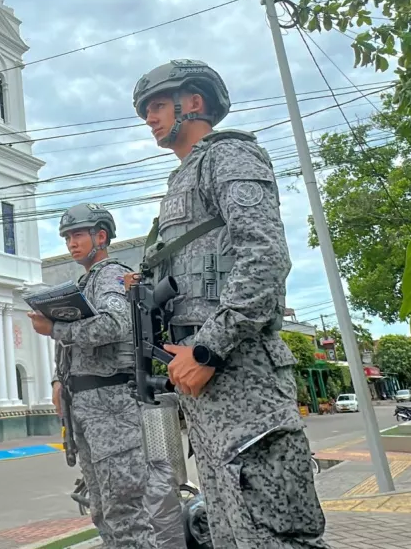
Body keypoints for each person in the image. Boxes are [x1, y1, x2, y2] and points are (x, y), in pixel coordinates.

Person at [130, 59, 330, 548]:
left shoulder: (231, 155)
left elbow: (264, 254)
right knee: (230, 529)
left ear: (193, 102)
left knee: (272, 530)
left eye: (157, 106)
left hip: (240, 372)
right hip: (202, 381)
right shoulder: (181, 181)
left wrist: (207, 350)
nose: (150, 119)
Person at [28, 204, 182, 549]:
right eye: (67, 237)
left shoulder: (111, 275)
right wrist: (58, 380)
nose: (71, 243)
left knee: (125, 512)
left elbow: (115, 324)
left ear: (101, 236)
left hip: (112, 406)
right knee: (102, 511)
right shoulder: (88, 280)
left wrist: (55, 328)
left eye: (78, 234)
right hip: (88, 407)